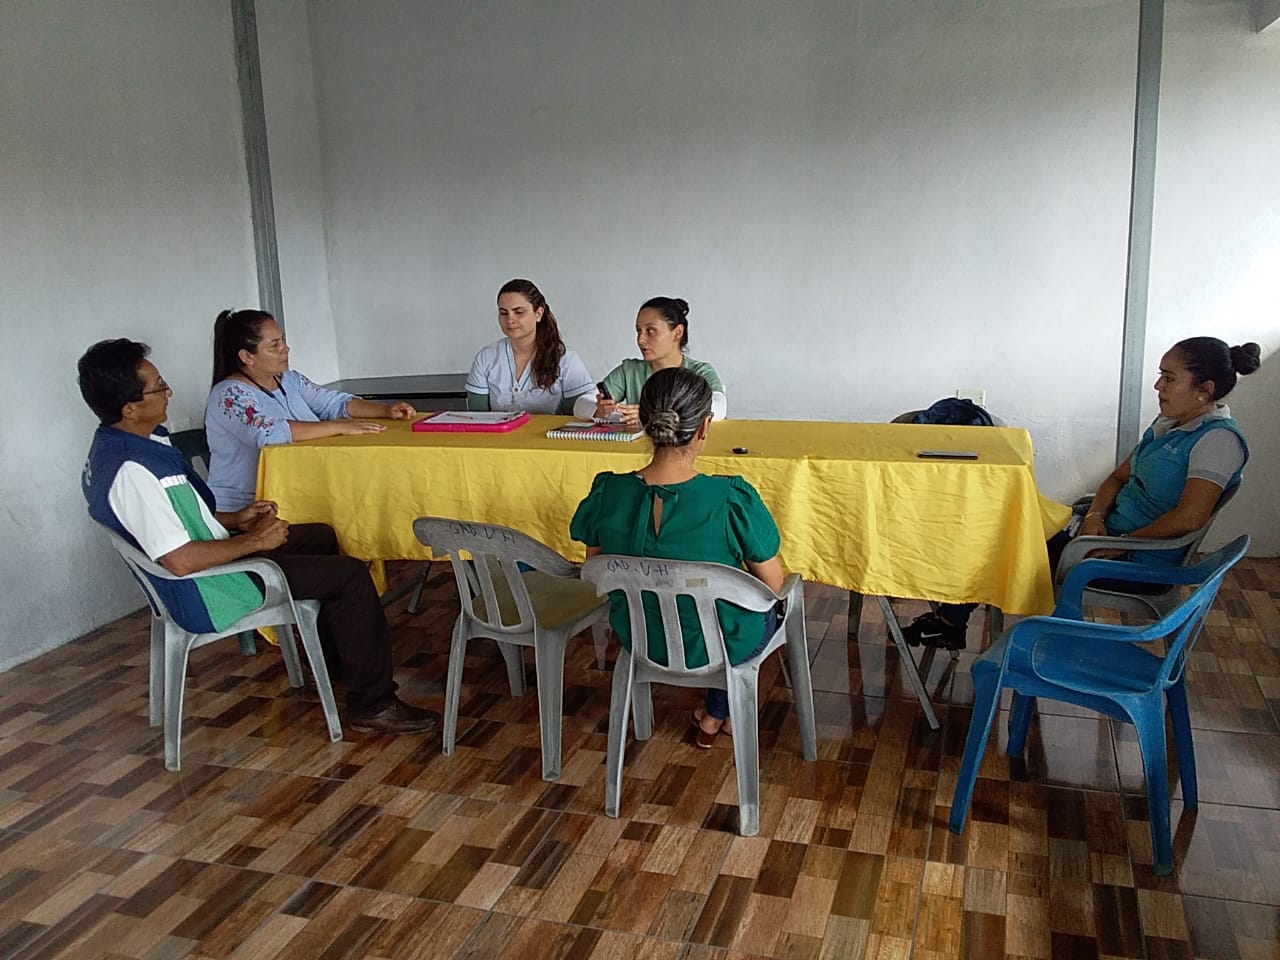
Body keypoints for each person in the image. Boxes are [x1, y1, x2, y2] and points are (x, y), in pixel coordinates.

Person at [79, 339, 440, 735]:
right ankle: (374, 704)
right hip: (207, 588)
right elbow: (178, 560)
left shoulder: (129, 443)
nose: (170, 392)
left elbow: (175, 518)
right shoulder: (132, 470)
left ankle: (338, 664)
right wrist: (254, 542)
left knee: (322, 535)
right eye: (159, 387)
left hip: (216, 556)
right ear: (129, 409)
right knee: (351, 576)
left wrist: (236, 518)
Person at [903, 336, 1262, 651]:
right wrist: (1094, 517)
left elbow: (1190, 517)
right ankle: (951, 621)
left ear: (1205, 390)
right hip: (1102, 535)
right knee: (1000, 524)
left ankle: (953, 623)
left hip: (1137, 559)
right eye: (1160, 375)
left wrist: (1121, 543)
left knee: (1000, 542)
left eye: (1169, 378)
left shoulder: (1217, 441)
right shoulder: (1169, 425)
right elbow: (1117, 478)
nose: (1157, 386)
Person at [570, 366, 782, 747]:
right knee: (762, 610)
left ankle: (716, 714)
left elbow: (596, 566)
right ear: (704, 427)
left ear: (645, 423)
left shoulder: (607, 493)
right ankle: (718, 713)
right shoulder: (731, 499)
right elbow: (773, 585)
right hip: (722, 643)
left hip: (640, 637)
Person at [205, 309, 417, 511]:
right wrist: (338, 427)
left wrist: (385, 410)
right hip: (247, 504)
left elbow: (334, 403)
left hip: (297, 491)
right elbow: (267, 434)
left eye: (283, 341)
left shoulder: (290, 380)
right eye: (274, 345)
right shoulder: (229, 394)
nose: (285, 348)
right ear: (247, 357)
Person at [573, 297, 728, 424]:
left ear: (677, 332)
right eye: (638, 331)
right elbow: (580, 404)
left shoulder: (700, 372)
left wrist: (653, 414)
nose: (641, 339)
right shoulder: (630, 371)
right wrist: (599, 410)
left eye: (651, 331)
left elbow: (719, 408)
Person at [465, 279, 595, 415]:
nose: (510, 319)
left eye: (519, 312)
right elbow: (477, 417)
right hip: (501, 430)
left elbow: (578, 415)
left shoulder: (566, 359)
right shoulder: (486, 358)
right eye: (503, 313)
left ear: (538, 314)